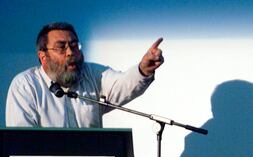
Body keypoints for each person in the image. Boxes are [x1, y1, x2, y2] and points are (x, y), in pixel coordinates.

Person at [6, 22, 164, 127]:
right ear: (43, 57)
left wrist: (144, 70)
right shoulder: (25, 86)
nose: (70, 52)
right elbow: (21, 141)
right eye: (61, 47)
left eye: (74, 45)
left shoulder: (92, 74)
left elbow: (122, 85)